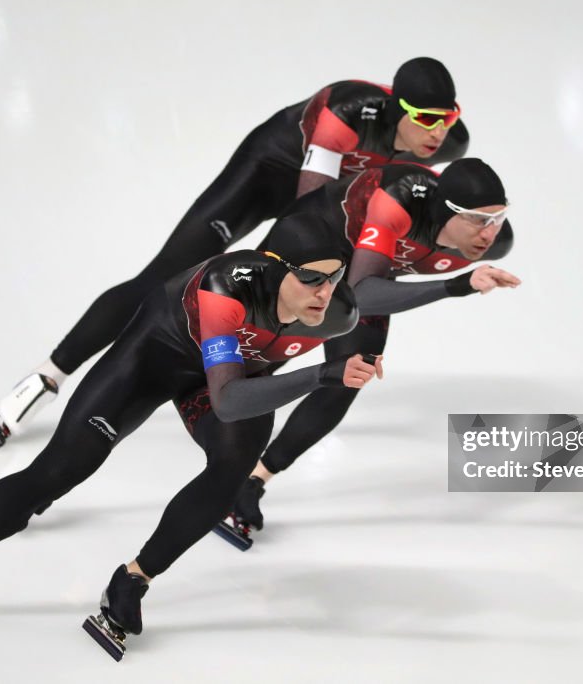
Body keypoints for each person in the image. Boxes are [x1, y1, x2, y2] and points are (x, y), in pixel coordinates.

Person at [0, 217, 383, 660]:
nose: (325, 292)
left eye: (334, 277)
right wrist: (320, 375)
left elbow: (378, 293)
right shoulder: (226, 286)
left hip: (228, 378)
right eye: (312, 279)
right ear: (275, 268)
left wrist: (455, 285)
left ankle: (132, 581)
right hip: (154, 360)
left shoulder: (335, 309)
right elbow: (227, 401)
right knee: (58, 471)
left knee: (231, 470)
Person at [0, 57, 467, 448]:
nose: (437, 131)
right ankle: (46, 378)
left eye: (448, 119)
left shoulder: (445, 142)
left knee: (284, 313)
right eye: (425, 118)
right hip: (270, 174)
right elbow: (302, 212)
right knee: (163, 277)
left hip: (325, 206)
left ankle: (230, 425)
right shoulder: (346, 112)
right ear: (394, 105)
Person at [222, 158, 519, 540]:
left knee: (347, 377)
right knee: (258, 360)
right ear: (448, 211)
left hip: (369, 267)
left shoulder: (496, 241)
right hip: (312, 248)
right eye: (480, 220)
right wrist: (456, 286)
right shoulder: (396, 202)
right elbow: (362, 290)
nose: (490, 233)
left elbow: (363, 290)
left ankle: (252, 480)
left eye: (498, 219)